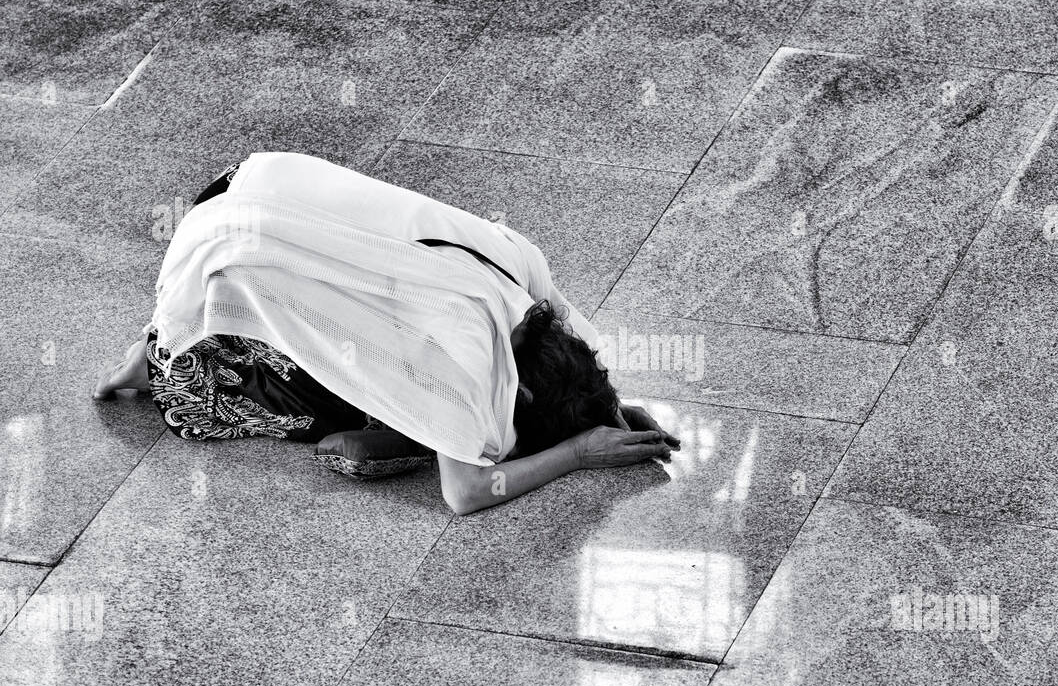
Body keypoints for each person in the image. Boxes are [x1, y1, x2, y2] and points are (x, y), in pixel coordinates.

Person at [93, 153, 679, 514]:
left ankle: (175, 340)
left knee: (400, 396)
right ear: (520, 394)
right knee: (325, 406)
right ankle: (161, 365)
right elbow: (467, 492)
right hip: (227, 241)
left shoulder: (526, 271)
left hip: (260, 177)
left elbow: (580, 360)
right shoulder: (469, 352)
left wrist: (611, 410)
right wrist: (576, 452)